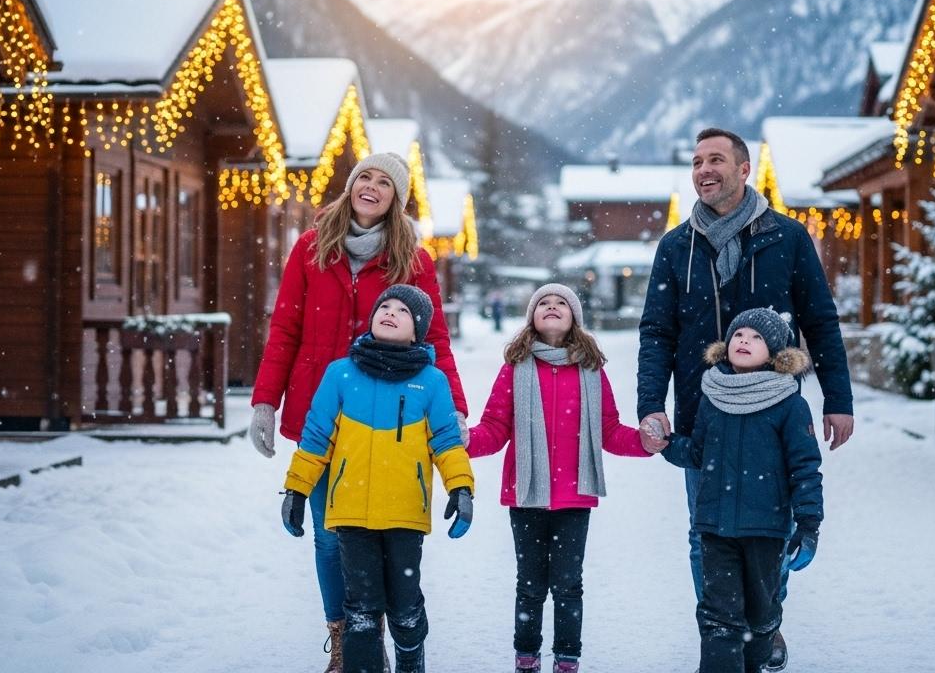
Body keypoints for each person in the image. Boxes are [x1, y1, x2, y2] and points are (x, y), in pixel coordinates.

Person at [637, 127, 852, 670]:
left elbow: (820, 322)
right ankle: (721, 630)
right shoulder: (676, 246)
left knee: (768, 534)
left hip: (774, 418)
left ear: (743, 169)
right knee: (704, 533)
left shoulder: (787, 237)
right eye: (695, 162)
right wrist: (650, 404)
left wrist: (838, 398)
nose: (703, 170)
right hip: (701, 416)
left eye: (715, 160)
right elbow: (656, 332)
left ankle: (765, 623)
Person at [248, 152, 469, 672]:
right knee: (329, 537)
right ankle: (346, 638)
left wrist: (453, 405)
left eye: (384, 183)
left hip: (388, 416)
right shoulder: (310, 247)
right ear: (351, 186)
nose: (371, 187)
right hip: (319, 410)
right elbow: (284, 328)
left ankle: (392, 629)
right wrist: (265, 399)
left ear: (396, 198)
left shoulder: (412, 258)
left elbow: (434, 335)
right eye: (364, 177)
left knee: (386, 538)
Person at [459, 284, 666, 673]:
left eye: (561, 304)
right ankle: (527, 655)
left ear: (574, 318)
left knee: (569, 585)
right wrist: (465, 442)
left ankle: (567, 658)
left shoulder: (590, 369)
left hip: (574, 495)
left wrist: (644, 443)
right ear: (532, 318)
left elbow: (608, 430)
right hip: (526, 494)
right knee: (531, 584)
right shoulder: (516, 368)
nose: (552, 307)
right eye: (543, 304)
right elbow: (495, 426)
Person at [281, 284, 475, 673]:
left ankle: (409, 659)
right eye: (384, 306)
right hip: (351, 514)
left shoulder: (431, 381)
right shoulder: (340, 374)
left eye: (402, 311)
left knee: (404, 607)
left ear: (418, 329)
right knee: (362, 611)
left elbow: (447, 442)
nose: (389, 312)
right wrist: (297, 489)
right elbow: (316, 437)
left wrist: (461, 486)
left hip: (405, 514)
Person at [661, 308, 823, 673]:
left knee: (761, 616)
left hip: (765, 531)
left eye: (756, 338)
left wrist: (809, 525)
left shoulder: (790, 404)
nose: (744, 341)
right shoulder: (713, 397)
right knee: (719, 617)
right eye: (738, 335)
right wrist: (666, 444)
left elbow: (805, 469)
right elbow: (698, 453)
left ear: (777, 353)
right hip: (716, 528)